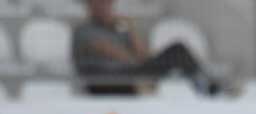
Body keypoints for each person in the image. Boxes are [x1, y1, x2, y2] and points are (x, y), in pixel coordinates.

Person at [72, 0, 219, 96]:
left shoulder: (118, 30)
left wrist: (130, 28)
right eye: (101, 4)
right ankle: (208, 87)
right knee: (177, 52)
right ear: (90, 6)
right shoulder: (84, 31)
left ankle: (207, 86)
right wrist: (147, 65)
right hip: (106, 80)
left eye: (109, 4)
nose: (106, 8)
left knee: (178, 50)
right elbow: (120, 55)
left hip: (128, 74)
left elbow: (143, 55)